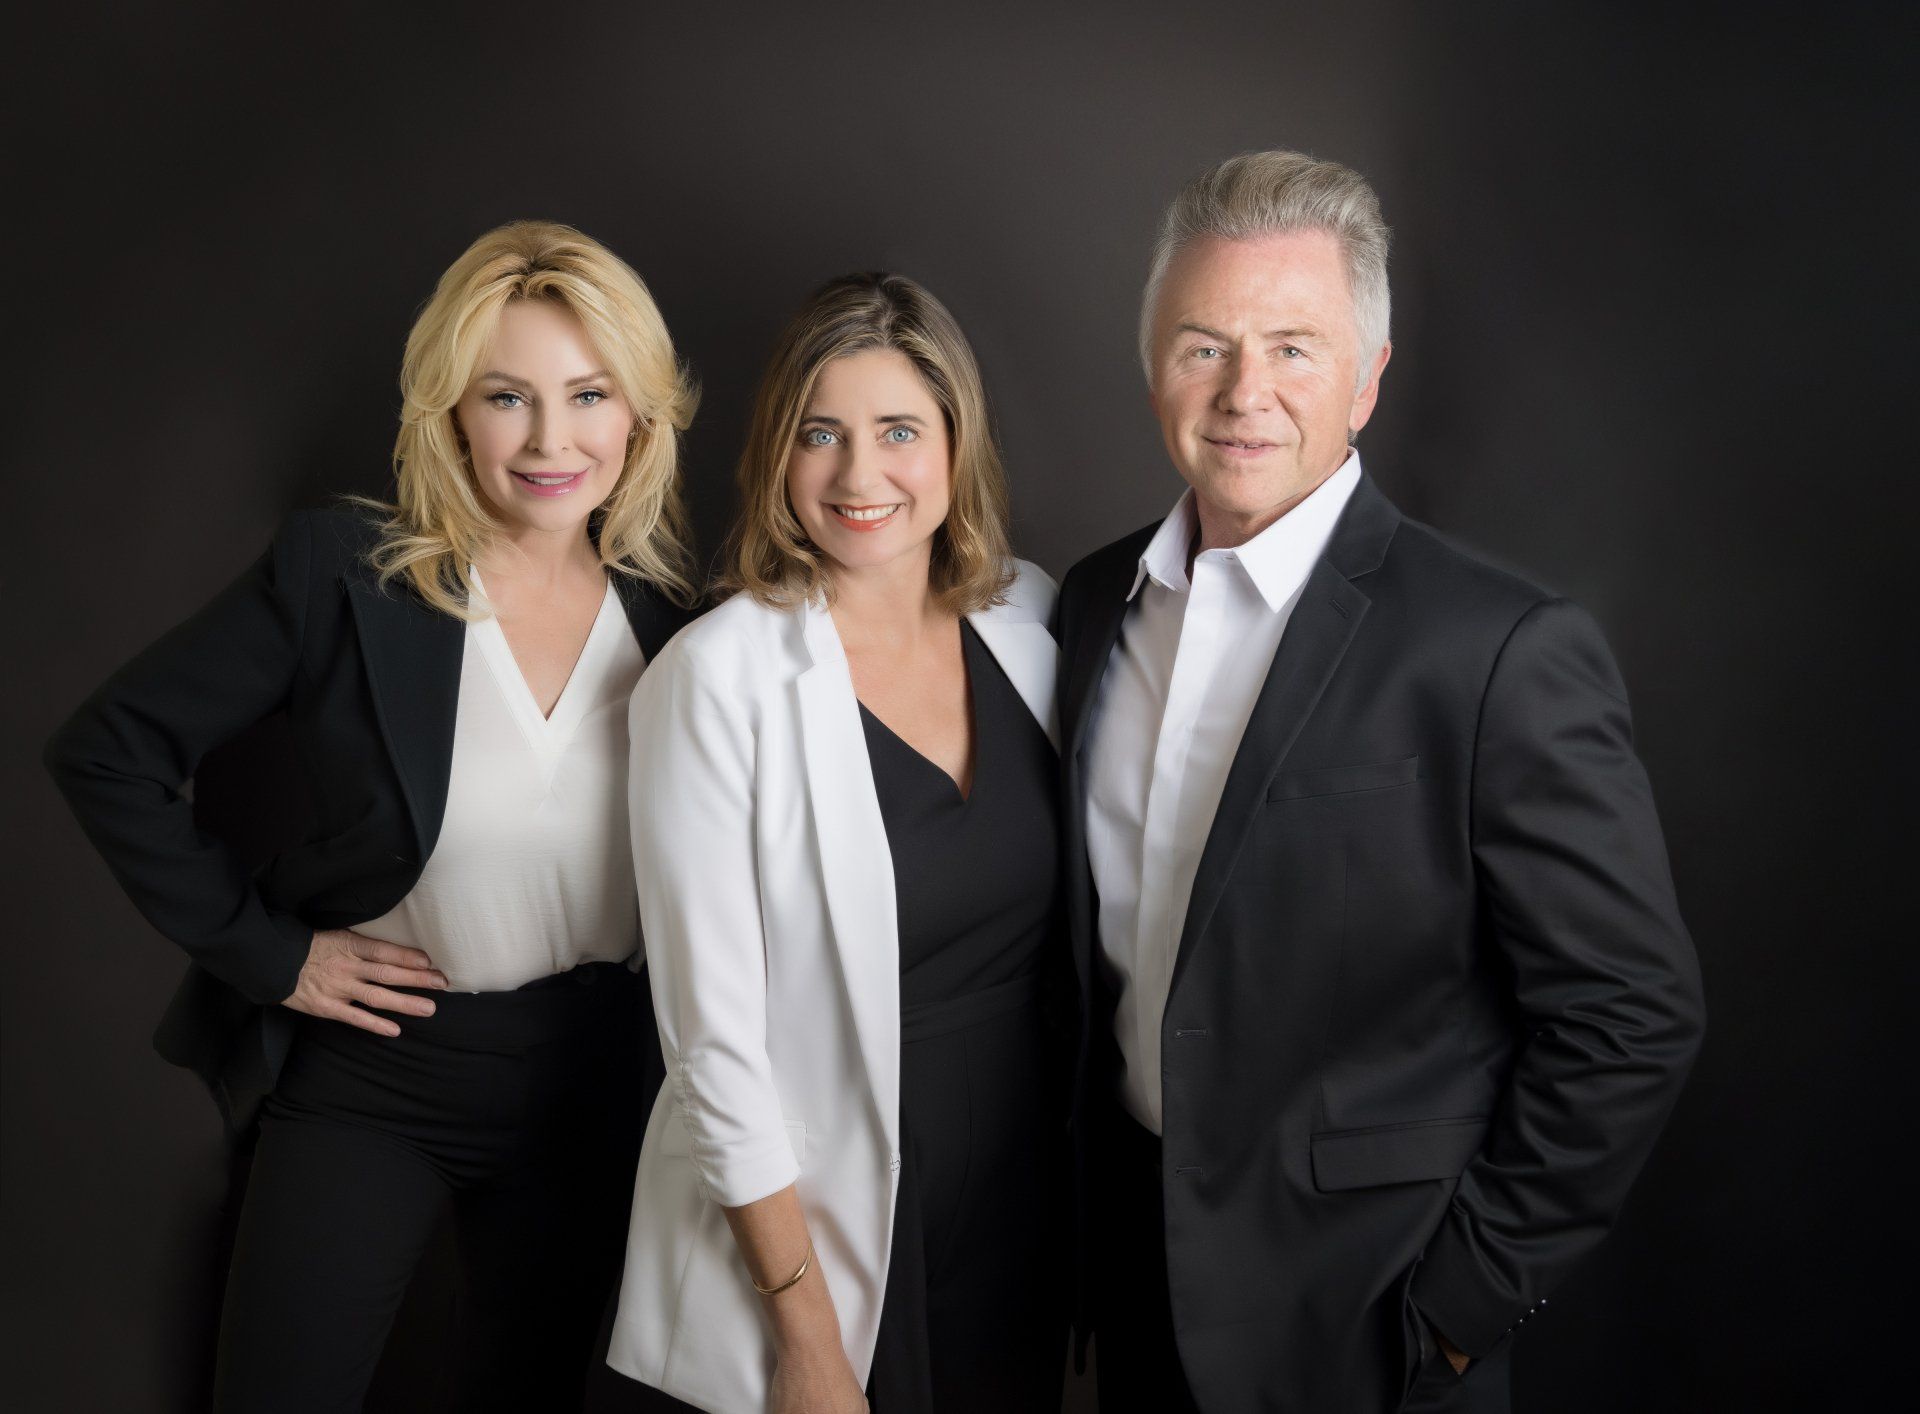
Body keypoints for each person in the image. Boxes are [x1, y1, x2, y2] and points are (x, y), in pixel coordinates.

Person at [1054, 151, 1707, 1413]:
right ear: (1153, 370)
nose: (1246, 391)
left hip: (1369, 1323)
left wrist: (1461, 1308)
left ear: (1367, 380)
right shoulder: (1094, 606)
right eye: (1205, 345)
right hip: (1137, 1299)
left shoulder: (1498, 646)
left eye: (1294, 347)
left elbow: (1632, 1013)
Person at [43, 220, 699, 1412]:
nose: (552, 439)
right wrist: (269, 956)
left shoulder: (682, 625)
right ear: (451, 413)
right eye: (508, 396)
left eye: (588, 394)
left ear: (640, 414)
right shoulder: (348, 571)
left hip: (589, 1082)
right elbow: (109, 750)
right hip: (378, 1075)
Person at [608, 272, 1069, 1413]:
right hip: (824, 1230)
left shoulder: (1035, 624)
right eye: (822, 434)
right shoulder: (714, 680)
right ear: (779, 454)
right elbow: (712, 1048)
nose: (861, 477)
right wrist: (808, 1336)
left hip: (1019, 1210)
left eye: (899, 431)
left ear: (955, 445)